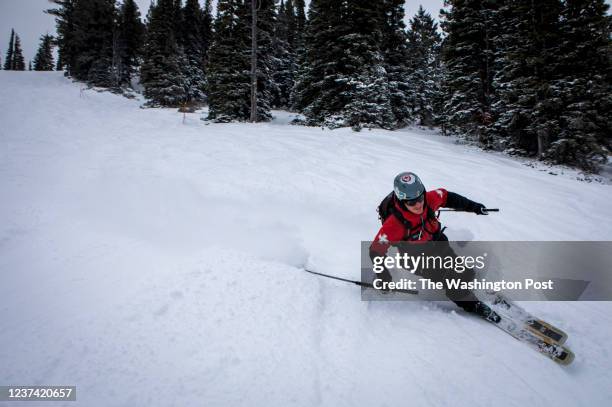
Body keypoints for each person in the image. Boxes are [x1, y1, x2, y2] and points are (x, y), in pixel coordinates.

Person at [369, 171, 499, 322]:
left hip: (439, 245)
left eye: (419, 198)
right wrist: (384, 277)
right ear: (401, 201)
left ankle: (465, 286)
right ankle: (472, 305)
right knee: (453, 282)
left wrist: (474, 207)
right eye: (411, 202)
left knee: (466, 273)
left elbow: (448, 197)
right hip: (417, 258)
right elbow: (375, 251)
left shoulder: (429, 199)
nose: (418, 204)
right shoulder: (394, 225)